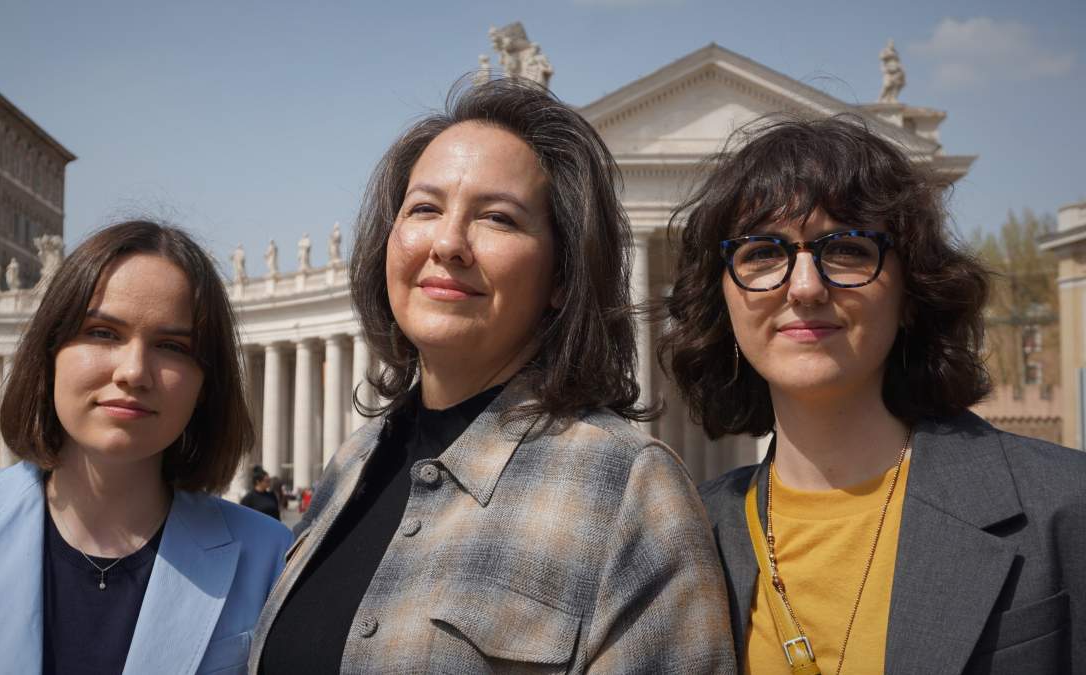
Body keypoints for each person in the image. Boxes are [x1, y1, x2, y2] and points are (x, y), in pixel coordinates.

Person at [250, 78, 735, 673]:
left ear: (562, 276)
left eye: (498, 218)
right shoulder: (352, 464)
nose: (449, 242)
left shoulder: (630, 488)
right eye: (424, 208)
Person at [659, 115, 1086, 674]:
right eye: (762, 253)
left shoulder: (1065, 504)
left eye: (848, 250)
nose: (806, 287)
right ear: (725, 303)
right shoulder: (688, 536)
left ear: (911, 294)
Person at [0, 220, 294, 674]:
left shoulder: (269, 556)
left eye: (172, 345)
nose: (133, 371)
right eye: (102, 333)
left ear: (206, 384)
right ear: (49, 353)